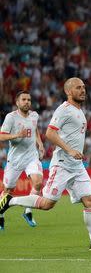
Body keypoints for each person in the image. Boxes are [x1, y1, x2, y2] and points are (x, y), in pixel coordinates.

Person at [0, 78, 91, 251]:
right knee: (47, 204)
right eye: (79, 88)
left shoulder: (79, 110)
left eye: (84, 87)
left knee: (90, 200)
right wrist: (69, 150)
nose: (83, 90)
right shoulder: (64, 110)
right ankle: (10, 200)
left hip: (77, 166)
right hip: (62, 164)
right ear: (69, 91)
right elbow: (50, 132)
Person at [0, 91, 44, 229]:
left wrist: (40, 143)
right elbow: (2, 136)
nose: (27, 102)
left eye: (29, 100)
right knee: (8, 190)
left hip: (31, 157)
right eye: (23, 99)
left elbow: (35, 129)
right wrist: (17, 135)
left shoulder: (34, 115)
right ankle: (0, 215)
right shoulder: (11, 117)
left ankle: (27, 211)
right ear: (17, 102)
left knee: (38, 183)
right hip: (15, 160)